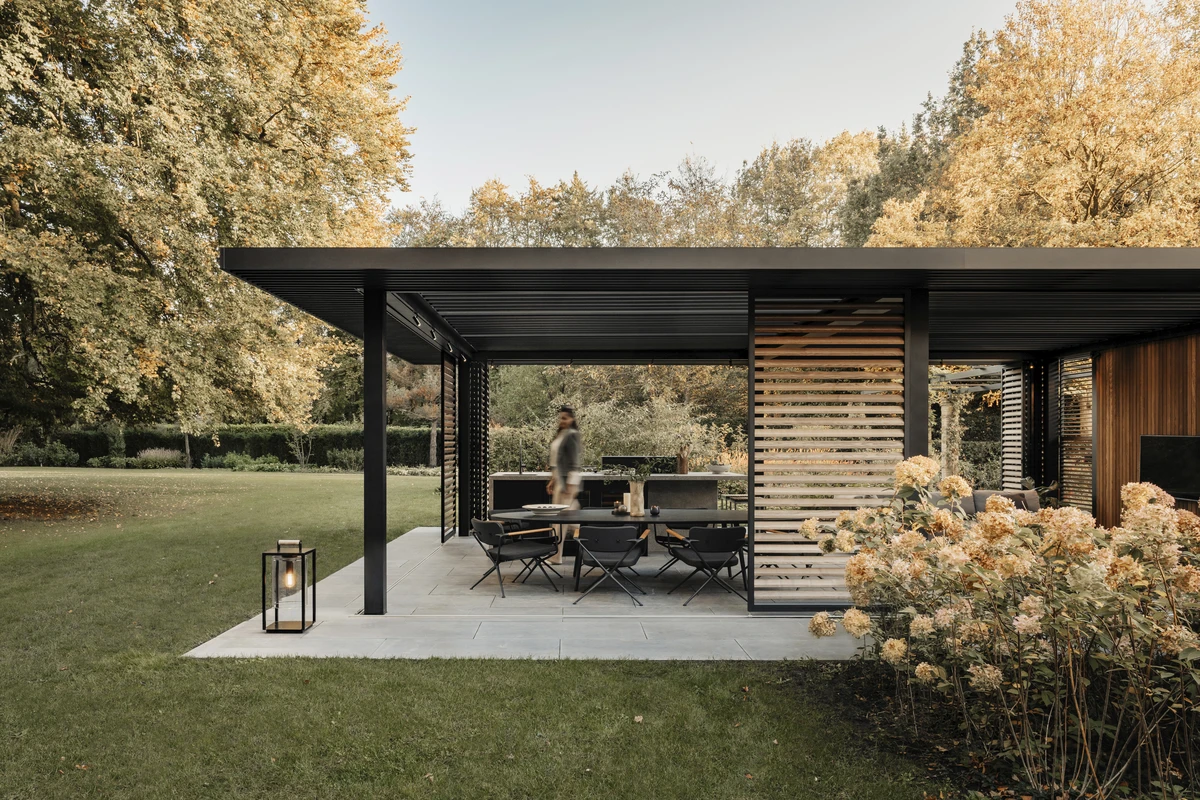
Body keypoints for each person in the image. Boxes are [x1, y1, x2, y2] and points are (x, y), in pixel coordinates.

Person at [547, 406, 582, 564]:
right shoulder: (561, 434)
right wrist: (553, 480)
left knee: (561, 520)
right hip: (560, 482)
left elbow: (574, 463)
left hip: (568, 483)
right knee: (569, 520)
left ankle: (557, 556)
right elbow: (556, 462)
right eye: (561, 418)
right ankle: (591, 543)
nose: (562, 421)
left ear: (572, 419)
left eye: (565, 418)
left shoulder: (572, 435)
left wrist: (569, 485)